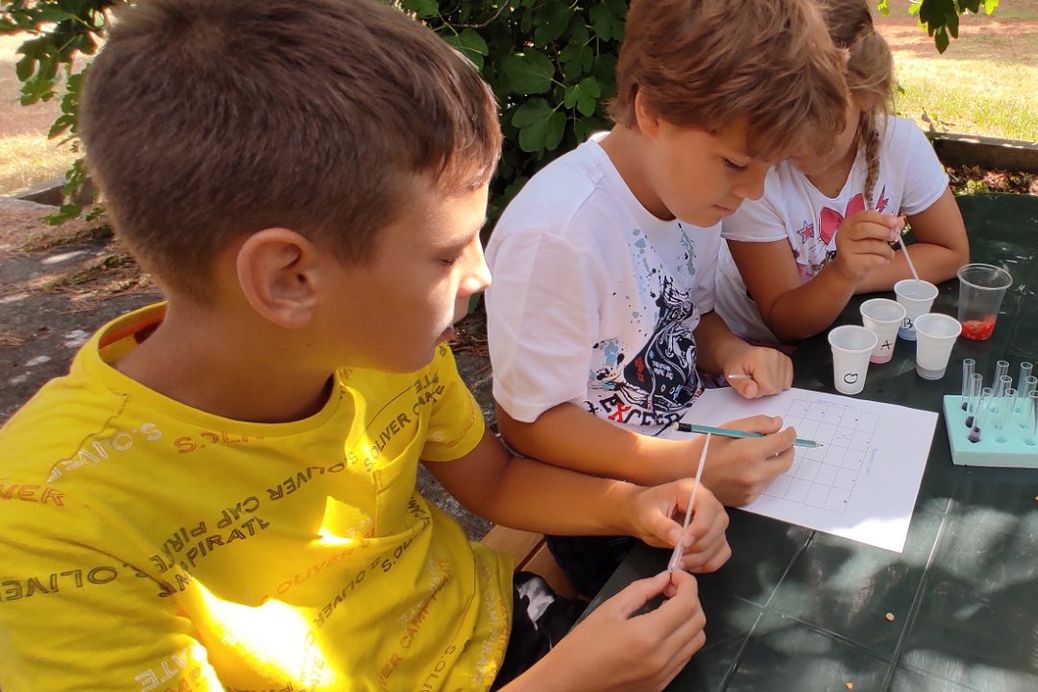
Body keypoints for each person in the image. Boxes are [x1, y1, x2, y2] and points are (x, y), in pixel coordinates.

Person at [0, 1, 728, 689]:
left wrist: (632, 507)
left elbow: (496, 483)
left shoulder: (379, 350)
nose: (482, 274)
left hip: (507, 629)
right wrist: (568, 682)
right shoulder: (55, 528)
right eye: (446, 254)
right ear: (289, 278)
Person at [483, 0, 849, 597]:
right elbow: (529, 423)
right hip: (604, 510)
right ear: (650, 109)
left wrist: (731, 352)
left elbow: (689, 317)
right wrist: (686, 464)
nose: (754, 191)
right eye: (736, 163)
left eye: (770, 167)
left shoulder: (689, 196)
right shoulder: (558, 237)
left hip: (695, 443)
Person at [713, 0, 971, 344]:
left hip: (844, 339)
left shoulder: (899, 144)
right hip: (749, 345)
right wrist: (842, 273)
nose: (799, 143)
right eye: (786, 118)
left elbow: (952, 253)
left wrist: (853, 274)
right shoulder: (755, 176)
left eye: (822, 120)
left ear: (864, 94)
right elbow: (784, 322)